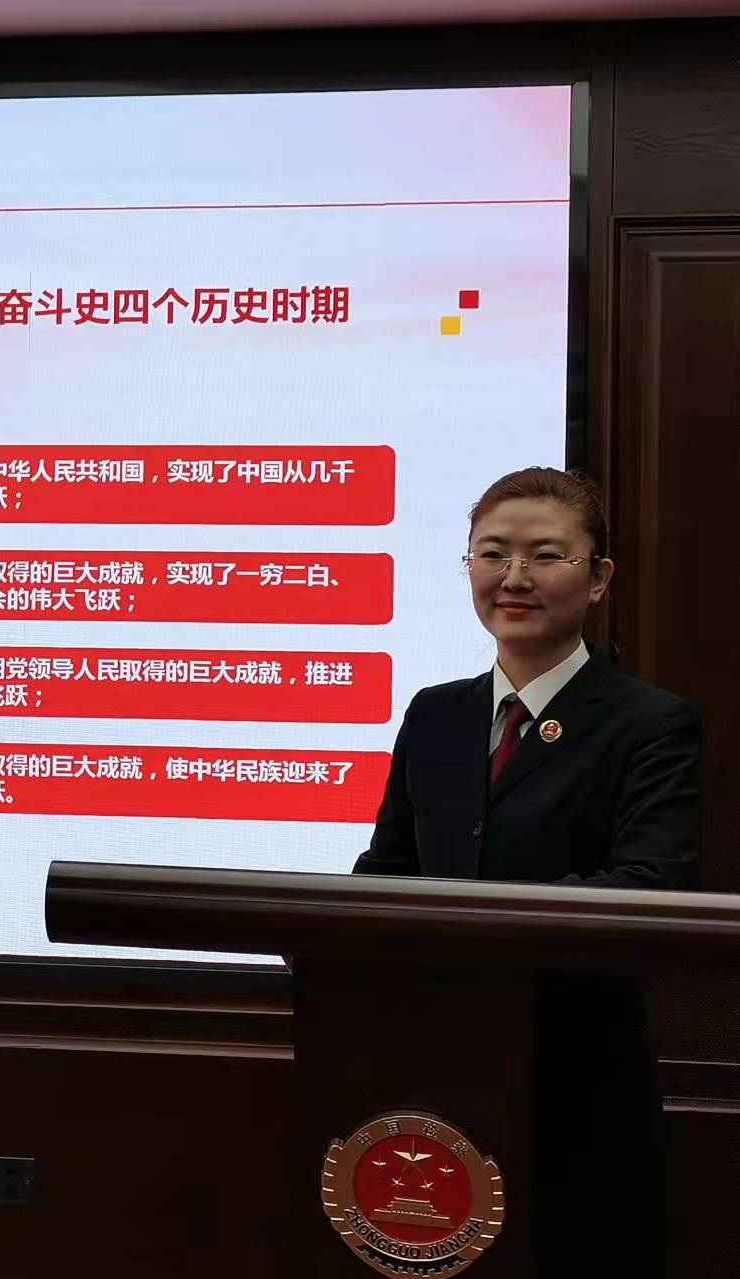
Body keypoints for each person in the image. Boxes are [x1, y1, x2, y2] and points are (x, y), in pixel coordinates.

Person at [354, 466, 701, 1278]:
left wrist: (468, 928)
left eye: (546, 555)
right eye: (492, 553)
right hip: (436, 1075)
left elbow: (654, 886)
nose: (514, 577)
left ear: (599, 577)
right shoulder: (436, 713)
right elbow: (386, 871)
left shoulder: (650, 724)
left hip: (580, 1078)